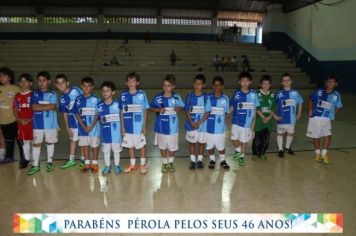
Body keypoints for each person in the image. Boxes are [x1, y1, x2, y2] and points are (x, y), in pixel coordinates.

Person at [150, 74, 184, 173]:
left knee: (172, 147)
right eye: (164, 85)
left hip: (173, 128)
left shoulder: (176, 97)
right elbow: (150, 107)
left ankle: (171, 163)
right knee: (163, 146)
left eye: (169, 85)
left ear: (173, 86)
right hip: (161, 127)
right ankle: (164, 163)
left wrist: (178, 108)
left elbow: (182, 105)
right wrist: (158, 109)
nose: (166, 88)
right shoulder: (158, 97)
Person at [27, 71, 59, 175]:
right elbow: (33, 107)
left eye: (44, 80)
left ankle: (50, 162)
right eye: (39, 80)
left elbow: (54, 106)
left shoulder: (53, 93)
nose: (41, 83)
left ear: (48, 81)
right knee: (37, 144)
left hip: (51, 124)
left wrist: (39, 107)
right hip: (37, 124)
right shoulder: (34, 94)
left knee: (50, 142)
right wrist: (48, 106)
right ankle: (35, 165)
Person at [307, 75, 342, 164]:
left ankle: (324, 154)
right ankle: (317, 154)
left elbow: (338, 106)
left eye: (332, 82)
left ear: (336, 84)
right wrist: (310, 110)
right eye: (328, 81)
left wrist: (333, 114)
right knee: (316, 136)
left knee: (328, 136)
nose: (330, 83)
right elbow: (310, 99)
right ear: (326, 83)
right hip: (316, 117)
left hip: (327, 119)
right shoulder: (319, 91)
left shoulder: (336, 94)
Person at [120, 72, 150, 174]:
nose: (131, 83)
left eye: (133, 81)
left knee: (141, 145)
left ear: (137, 83)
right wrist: (122, 127)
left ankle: (142, 164)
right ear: (126, 83)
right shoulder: (123, 95)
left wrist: (144, 126)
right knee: (130, 146)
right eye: (129, 81)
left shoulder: (142, 94)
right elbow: (121, 112)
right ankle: (132, 165)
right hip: (128, 127)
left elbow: (145, 110)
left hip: (138, 127)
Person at [230, 72, 260, 166]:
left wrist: (253, 121)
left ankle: (241, 157)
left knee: (244, 140)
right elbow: (232, 107)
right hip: (236, 121)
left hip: (247, 123)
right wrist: (225, 115)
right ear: (239, 82)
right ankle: (239, 151)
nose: (245, 83)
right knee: (233, 139)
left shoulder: (254, 94)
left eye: (247, 81)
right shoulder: (236, 93)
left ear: (250, 82)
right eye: (243, 81)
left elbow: (255, 108)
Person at [55, 74, 84, 169]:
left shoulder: (76, 90)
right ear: (56, 86)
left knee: (83, 141)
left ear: (67, 83)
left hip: (82, 121)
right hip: (72, 123)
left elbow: (84, 100)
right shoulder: (62, 99)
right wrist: (67, 127)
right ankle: (71, 160)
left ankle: (84, 160)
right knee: (73, 140)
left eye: (62, 83)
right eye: (58, 84)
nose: (61, 85)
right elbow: (65, 113)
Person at [74, 77, 101, 173]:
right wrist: (84, 126)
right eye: (84, 86)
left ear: (92, 87)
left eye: (88, 86)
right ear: (81, 86)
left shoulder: (96, 99)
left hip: (94, 129)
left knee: (94, 146)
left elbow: (98, 114)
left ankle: (94, 163)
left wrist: (90, 126)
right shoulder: (78, 99)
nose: (86, 88)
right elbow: (77, 113)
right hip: (82, 129)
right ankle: (86, 163)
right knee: (85, 145)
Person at [184, 74, 210, 169]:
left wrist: (199, 123)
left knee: (202, 143)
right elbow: (187, 110)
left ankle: (199, 160)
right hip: (191, 125)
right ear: (193, 84)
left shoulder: (206, 97)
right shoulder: (190, 96)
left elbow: (208, 111)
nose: (197, 85)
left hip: (202, 125)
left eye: (200, 84)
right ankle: (192, 161)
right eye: (196, 83)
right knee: (192, 143)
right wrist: (191, 122)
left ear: (204, 85)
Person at [275, 73, 303, 158]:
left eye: (288, 80)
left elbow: (300, 102)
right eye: (284, 80)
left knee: (290, 134)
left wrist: (299, 114)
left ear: (291, 81)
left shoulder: (296, 93)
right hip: (281, 118)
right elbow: (272, 105)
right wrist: (274, 115)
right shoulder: (278, 93)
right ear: (281, 83)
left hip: (292, 118)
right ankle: (280, 149)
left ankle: (287, 148)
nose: (286, 82)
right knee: (280, 134)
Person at [252, 75, 279, 160]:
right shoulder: (257, 94)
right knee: (257, 139)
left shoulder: (272, 95)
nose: (265, 85)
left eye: (267, 84)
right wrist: (263, 117)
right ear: (261, 84)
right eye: (264, 83)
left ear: (270, 85)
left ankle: (262, 153)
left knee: (266, 139)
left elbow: (273, 108)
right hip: (259, 120)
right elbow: (255, 107)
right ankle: (255, 154)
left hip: (268, 121)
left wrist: (269, 117)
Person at [206, 76, 230, 170]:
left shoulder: (225, 98)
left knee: (221, 146)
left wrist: (224, 118)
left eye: (219, 85)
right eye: (215, 85)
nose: (217, 87)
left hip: (220, 129)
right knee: (210, 146)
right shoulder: (208, 97)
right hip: (209, 128)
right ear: (212, 86)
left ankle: (222, 160)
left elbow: (227, 112)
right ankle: (212, 160)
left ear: (222, 86)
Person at [98, 81, 122, 175]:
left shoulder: (118, 104)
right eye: (103, 91)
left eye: (107, 91)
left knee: (116, 151)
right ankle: (107, 166)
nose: (105, 93)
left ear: (113, 92)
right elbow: (99, 118)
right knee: (106, 151)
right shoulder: (100, 105)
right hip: (105, 133)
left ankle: (117, 165)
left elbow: (121, 117)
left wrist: (122, 129)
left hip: (116, 133)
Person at [0, 67, 20, 165]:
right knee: (8, 140)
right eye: (0, 76)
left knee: (19, 139)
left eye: (4, 75)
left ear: (10, 77)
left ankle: (25, 157)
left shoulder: (16, 89)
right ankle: (9, 157)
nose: (1, 78)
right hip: (3, 120)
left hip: (14, 119)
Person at [13, 74, 33, 168]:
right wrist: (20, 120)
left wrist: (30, 119)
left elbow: (37, 110)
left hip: (33, 122)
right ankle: (27, 159)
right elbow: (15, 110)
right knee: (25, 141)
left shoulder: (34, 95)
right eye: (21, 81)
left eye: (26, 81)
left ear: (30, 83)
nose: (23, 83)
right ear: (19, 83)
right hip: (22, 123)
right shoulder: (17, 96)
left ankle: (35, 160)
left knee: (35, 141)